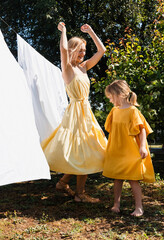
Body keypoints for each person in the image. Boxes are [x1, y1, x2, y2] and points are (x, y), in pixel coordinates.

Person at [41, 22, 107, 203]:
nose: (83, 53)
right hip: (75, 113)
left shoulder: (84, 67)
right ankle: (80, 194)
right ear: (72, 50)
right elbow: (63, 50)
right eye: (80, 50)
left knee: (83, 150)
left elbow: (101, 51)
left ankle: (63, 183)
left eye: (84, 50)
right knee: (83, 150)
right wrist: (64, 31)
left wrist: (92, 31)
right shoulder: (68, 69)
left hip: (86, 112)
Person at [103, 80, 155, 216]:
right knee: (117, 178)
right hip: (117, 150)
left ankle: (139, 207)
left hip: (131, 150)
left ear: (119, 94)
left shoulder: (133, 111)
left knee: (133, 179)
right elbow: (110, 129)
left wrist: (142, 146)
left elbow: (142, 129)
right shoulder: (114, 111)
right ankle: (116, 204)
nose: (110, 100)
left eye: (111, 97)